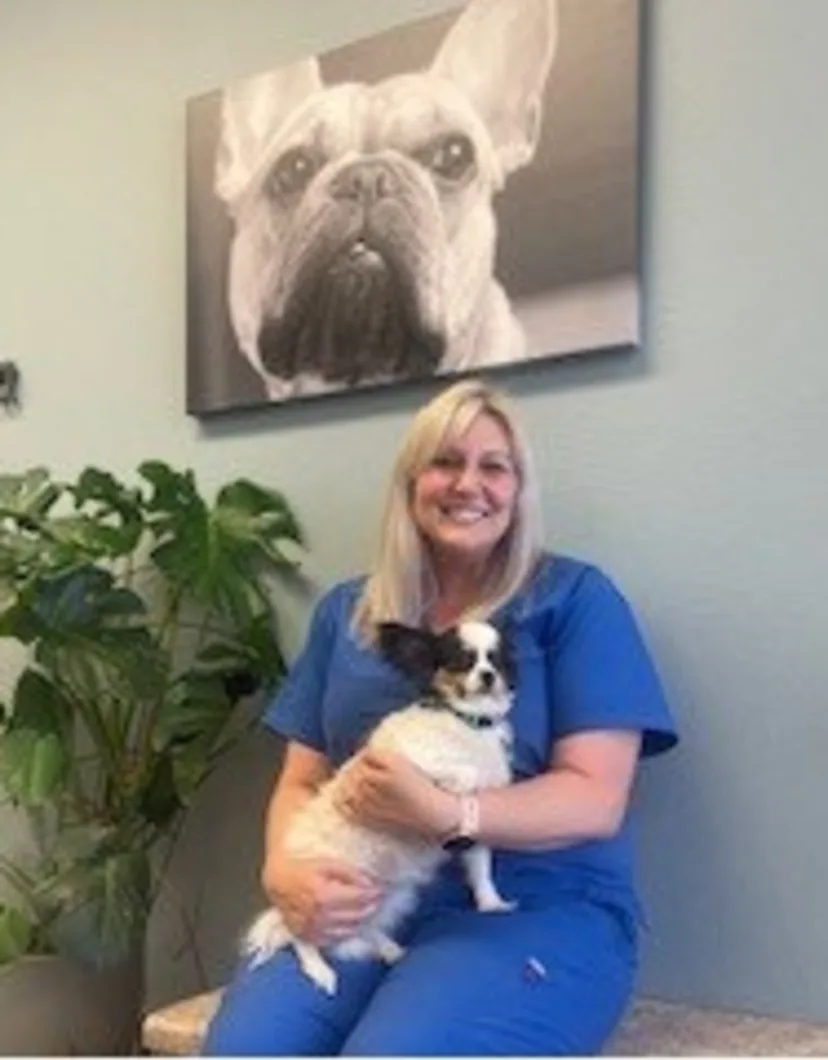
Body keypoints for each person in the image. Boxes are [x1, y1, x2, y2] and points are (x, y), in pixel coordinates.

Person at [203, 378, 678, 1056]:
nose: (468, 484)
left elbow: (596, 797)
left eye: (494, 466)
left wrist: (448, 814)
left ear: (520, 489)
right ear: (410, 482)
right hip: (362, 896)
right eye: (445, 462)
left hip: (529, 907)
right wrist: (283, 871)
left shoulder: (576, 602)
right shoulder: (348, 614)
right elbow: (300, 782)